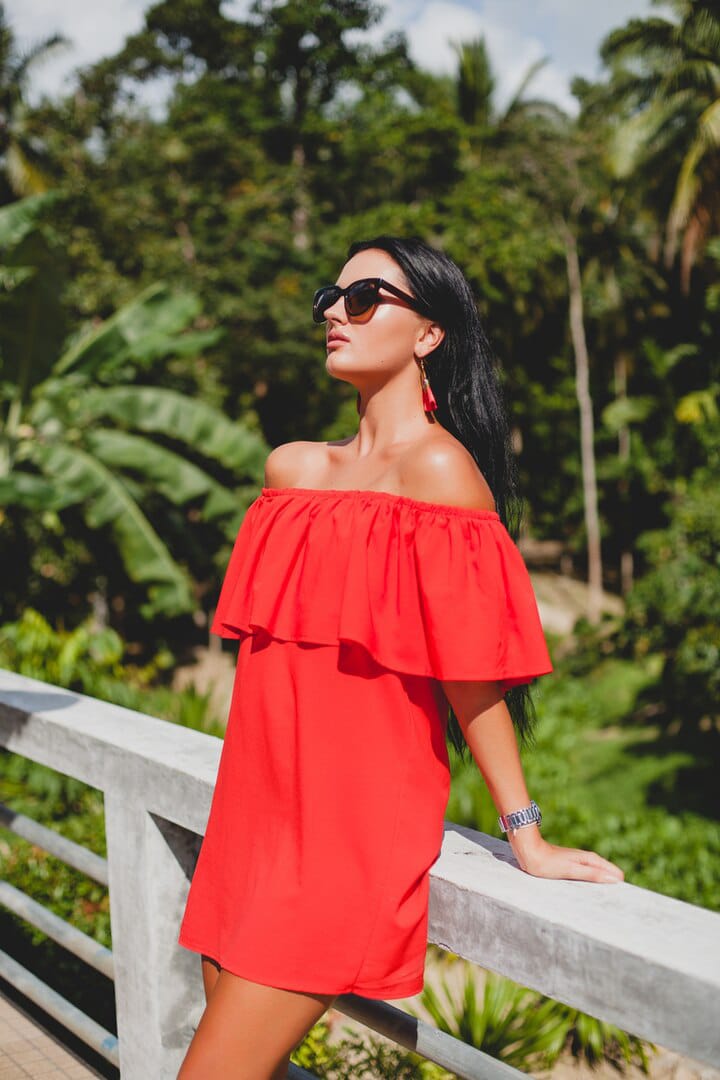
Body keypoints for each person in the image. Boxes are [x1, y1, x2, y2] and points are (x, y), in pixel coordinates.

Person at [176, 236, 624, 1079]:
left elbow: (471, 675)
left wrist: (524, 832)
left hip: (343, 843)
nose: (334, 316)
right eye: (328, 298)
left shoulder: (442, 473)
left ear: (429, 334)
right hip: (252, 826)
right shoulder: (293, 475)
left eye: (365, 297)